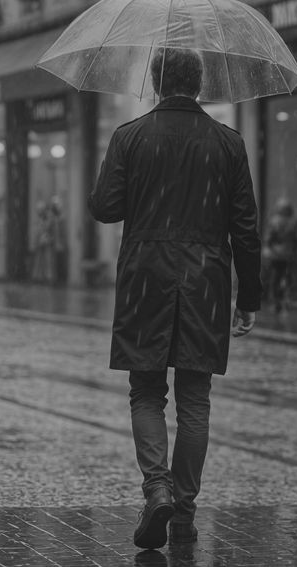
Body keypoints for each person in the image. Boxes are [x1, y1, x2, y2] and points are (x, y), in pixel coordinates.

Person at [88, 47, 262, 550]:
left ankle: (156, 487)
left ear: (157, 81)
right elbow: (245, 228)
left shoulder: (130, 137)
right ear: (200, 83)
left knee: (145, 390)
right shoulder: (228, 143)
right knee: (194, 398)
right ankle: (183, 512)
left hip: (146, 275)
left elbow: (105, 207)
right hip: (205, 280)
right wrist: (247, 296)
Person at [262, 199, 297, 313]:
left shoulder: (274, 222)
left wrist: (271, 248)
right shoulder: (293, 223)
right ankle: (286, 299)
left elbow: (268, 239)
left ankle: (276, 301)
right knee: (288, 277)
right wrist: (294, 251)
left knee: (276, 278)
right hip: (289, 255)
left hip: (276, 255)